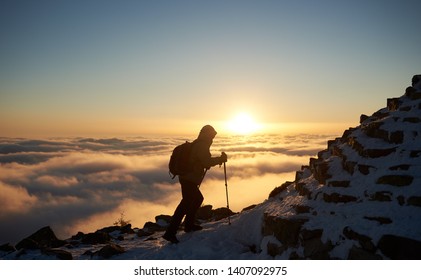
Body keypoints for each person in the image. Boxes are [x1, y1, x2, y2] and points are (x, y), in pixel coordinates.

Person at [163, 125, 228, 244]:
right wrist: (220, 159)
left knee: (196, 199)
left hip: (186, 177)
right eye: (212, 134)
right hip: (189, 178)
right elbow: (206, 161)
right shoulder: (202, 145)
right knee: (185, 204)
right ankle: (170, 233)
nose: (213, 137)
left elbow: (200, 161)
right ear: (208, 134)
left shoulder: (199, 143)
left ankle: (188, 225)